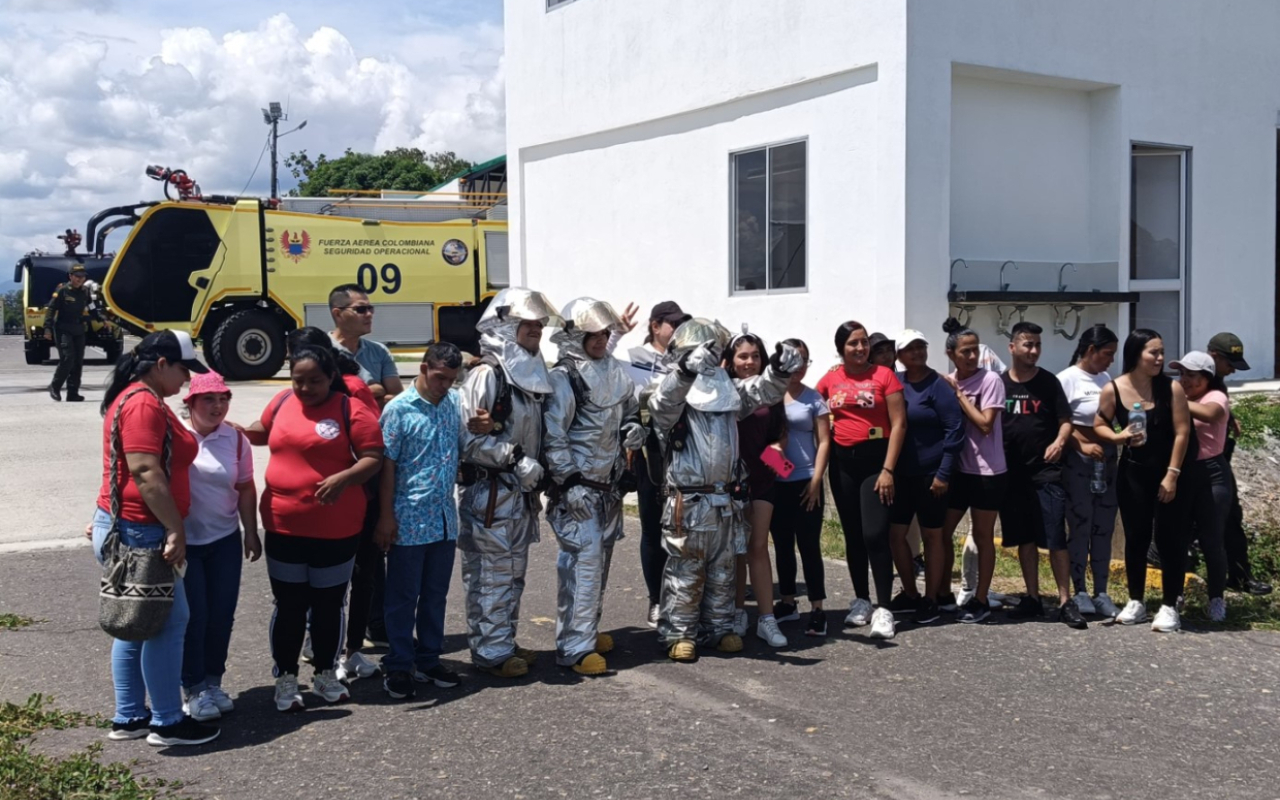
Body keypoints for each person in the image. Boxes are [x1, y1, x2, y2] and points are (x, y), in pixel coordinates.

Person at [91, 330, 219, 746]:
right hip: (142, 528)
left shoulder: (132, 396)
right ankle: (166, 722)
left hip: (124, 523)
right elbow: (146, 472)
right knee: (168, 623)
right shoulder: (145, 403)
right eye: (183, 369)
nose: (186, 379)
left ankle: (129, 716)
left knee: (135, 623)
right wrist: (174, 527)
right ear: (161, 364)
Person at [649, 318, 800, 660]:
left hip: (725, 496)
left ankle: (717, 628)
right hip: (688, 499)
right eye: (700, 351)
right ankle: (679, 634)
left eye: (713, 351)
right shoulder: (670, 389)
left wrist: (778, 371)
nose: (708, 358)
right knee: (686, 569)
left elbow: (759, 392)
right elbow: (662, 405)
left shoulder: (726, 390)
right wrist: (686, 371)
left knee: (723, 568)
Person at [243, 346, 385, 710]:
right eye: (298, 380)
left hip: (336, 528)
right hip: (284, 524)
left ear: (330, 378)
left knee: (328, 604)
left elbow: (373, 457)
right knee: (289, 605)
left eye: (315, 381)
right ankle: (286, 678)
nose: (305, 388)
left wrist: (345, 478)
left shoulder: (348, 407)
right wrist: (234, 430)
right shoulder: (281, 402)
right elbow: (264, 432)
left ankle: (324, 673)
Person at [456, 288, 560, 678]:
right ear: (506, 325)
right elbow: (469, 440)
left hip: (519, 496)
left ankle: (503, 641)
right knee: (491, 574)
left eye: (538, 323)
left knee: (513, 575)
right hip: (490, 494)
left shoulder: (529, 374)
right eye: (527, 323)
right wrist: (515, 459)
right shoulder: (486, 375)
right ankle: (490, 652)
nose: (536, 329)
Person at [543, 298, 644, 674]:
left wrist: (635, 430)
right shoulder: (563, 377)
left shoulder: (613, 371)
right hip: (579, 489)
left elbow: (628, 414)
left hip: (608, 487)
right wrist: (568, 483)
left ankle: (586, 629)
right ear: (574, 335)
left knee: (598, 565)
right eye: (593, 333)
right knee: (582, 566)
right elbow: (553, 435)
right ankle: (575, 648)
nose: (601, 339)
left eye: (605, 332)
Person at [286, 327, 381, 680]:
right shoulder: (293, 396)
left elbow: (375, 449)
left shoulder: (353, 388)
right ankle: (320, 645)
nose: (306, 382)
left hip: (360, 500)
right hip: (313, 509)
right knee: (319, 586)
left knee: (361, 576)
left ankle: (351, 649)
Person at [375, 342, 468, 700]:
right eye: (440, 377)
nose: (445, 385)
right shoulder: (398, 411)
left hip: (444, 519)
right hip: (408, 519)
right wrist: (385, 517)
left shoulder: (453, 404)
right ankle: (398, 664)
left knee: (435, 595)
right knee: (402, 597)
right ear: (424, 368)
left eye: (451, 379)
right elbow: (387, 465)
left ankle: (429, 658)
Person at [1093, 329, 1196, 633]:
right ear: (1136, 354)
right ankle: (1136, 600)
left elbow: (1182, 432)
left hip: (1170, 474)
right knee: (1136, 538)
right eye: (1154, 352)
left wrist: (1172, 474)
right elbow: (1098, 423)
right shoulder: (1114, 388)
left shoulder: (1172, 389)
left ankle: (1168, 605)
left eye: (1162, 352)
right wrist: (1116, 436)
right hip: (1133, 472)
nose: (1160, 358)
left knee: (1169, 539)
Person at [815, 321, 906, 639]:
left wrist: (888, 470)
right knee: (853, 535)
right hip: (842, 464)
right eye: (853, 343)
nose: (861, 348)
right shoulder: (830, 379)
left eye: (864, 342)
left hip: (875, 464)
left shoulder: (884, 376)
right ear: (841, 348)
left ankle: (884, 608)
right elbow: (806, 409)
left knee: (875, 534)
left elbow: (899, 425)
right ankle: (862, 601)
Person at [179, 372, 260, 723]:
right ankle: (192, 688)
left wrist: (250, 531)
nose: (217, 406)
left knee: (221, 616)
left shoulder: (236, 440)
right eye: (208, 400)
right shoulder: (179, 438)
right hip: (187, 542)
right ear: (191, 404)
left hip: (224, 539)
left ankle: (213, 682)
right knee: (194, 617)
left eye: (223, 399)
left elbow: (244, 487)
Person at [997, 322, 1079, 627]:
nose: (1033, 351)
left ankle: (1064, 601)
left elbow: (1065, 420)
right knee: (1024, 538)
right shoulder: (1000, 384)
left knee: (1056, 538)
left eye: (1037, 345)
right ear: (1012, 347)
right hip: (1012, 474)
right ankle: (1031, 597)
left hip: (1046, 473)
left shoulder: (1048, 382)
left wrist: (1059, 442)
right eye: (1027, 345)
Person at [888, 330, 963, 624]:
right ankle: (910, 593)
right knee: (896, 536)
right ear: (899, 356)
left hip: (933, 474)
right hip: (902, 475)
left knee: (933, 537)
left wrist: (944, 473)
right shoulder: (897, 383)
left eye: (921, 347)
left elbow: (954, 431)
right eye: (910, 349)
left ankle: (931, 599)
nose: (917, 353)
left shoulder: (939, 386)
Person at [626, 301, 691, 627]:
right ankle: (656, 599)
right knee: (653, 530)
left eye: (682, 325)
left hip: (686, 453)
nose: (678, 331)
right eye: (673, 325)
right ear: (655, 326)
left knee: (683, 527)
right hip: (649, 456)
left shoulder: (687, 359)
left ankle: (684, 597)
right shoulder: (636, 362)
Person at [938, 319, 1007, 624]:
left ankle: (980, 599)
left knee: (982, 535)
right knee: (941, 531)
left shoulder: (990, 381)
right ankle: (942, 593)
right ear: (950, 353)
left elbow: (984, 423)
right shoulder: (949, 381)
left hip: (987, 472)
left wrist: (959, 395)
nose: (971, 356)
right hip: (958, 470)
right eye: (965, 351)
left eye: (974, 350)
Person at [725, 331, 789, 648]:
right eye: (742, 356)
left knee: (758, 546)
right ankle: (738, 612)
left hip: (763, 479)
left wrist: (777, 455)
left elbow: (780, 433)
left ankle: (767, 619)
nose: (749, 362)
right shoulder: (719, 390)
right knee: (736, 549)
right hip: (728, 482)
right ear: (730, 361)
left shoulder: (772, 391)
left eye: (755, 356)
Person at [1057, 324, 1122, 619]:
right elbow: (1059, 422)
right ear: (1091, 350)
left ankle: (1102, 591)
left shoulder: (1106, 379)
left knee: (1104, 525)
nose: (1110, 360)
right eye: (1107, 354)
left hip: (1106, 461)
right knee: (1081, 522)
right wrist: (1080, 443)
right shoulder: (1068, 379)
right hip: (1078, 462)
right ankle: (1079, 588)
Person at [770, 338, 832, 637]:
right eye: (792, 360)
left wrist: (816, 481)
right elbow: (763, 442)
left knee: (809, 546)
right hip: (776, 484)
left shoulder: (814, 398)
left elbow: (825, 442)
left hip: (807, 482)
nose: (797, 367)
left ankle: (818, 609)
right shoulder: (768, 395)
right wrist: (780, 468)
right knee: (781, 545)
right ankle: (787, 602)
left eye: (803, 360)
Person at [1207, 333, 1273, 596]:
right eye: (1230, 363)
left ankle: (1239, 576)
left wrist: (1230, 418)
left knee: (1232, 516)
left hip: (1219, 458)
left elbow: (1219, 404)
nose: (1233, 369)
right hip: (1202, 461)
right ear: (1214, 356)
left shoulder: (1217, 381)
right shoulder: (1197, 381)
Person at [1172, 351, 1232, 622]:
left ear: (1207, 378)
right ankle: (1174, 595)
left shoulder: (1215, 397)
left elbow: (1210, 414)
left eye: (1191, 375)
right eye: (1181, 374)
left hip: (1211, 474)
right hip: (1182, 473)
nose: (1184, 380)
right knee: (1177, 537)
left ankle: (1217, 599)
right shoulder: (1180, 398)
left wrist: (1176, 399)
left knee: (1211, 540)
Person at [329, 283, 403, 406]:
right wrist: (374, 391)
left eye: (370, 308)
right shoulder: (321, 350)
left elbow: (397, 398)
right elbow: (323, 398)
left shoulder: (380, 351)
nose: (369, 314)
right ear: (338, 314)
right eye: (361, 309)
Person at [46, 263, 109, 402]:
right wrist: (47, 328)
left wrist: (102, 319)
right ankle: (55, 387)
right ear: (71, 277)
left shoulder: (85, 291)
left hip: (79, 329)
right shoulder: (62, 290)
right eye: (77, 276)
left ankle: (73, 393)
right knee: (67, 359)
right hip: (63, 329)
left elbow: (92, 307)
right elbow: (51, 309)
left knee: (78, 362)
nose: (80, 279)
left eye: (82, 276)